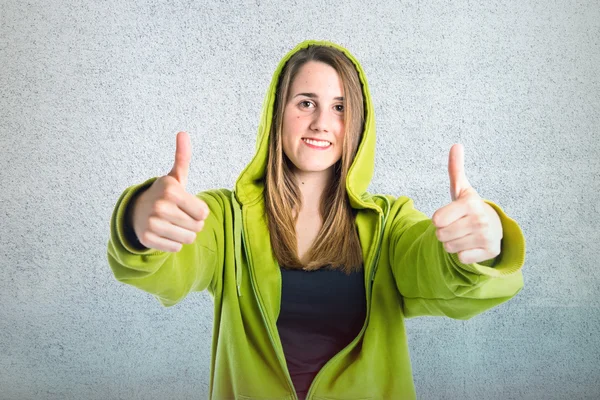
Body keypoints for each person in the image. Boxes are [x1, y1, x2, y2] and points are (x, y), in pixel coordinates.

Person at [107, 40, 525, 400]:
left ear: (357, 123)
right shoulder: (227, 219)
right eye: (306, 102)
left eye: (340, 108)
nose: (322, 122)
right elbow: (172, 268)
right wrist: (140, 220)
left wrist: (481, 248)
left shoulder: (388, 224)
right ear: (278, 113)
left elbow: (435, 269)